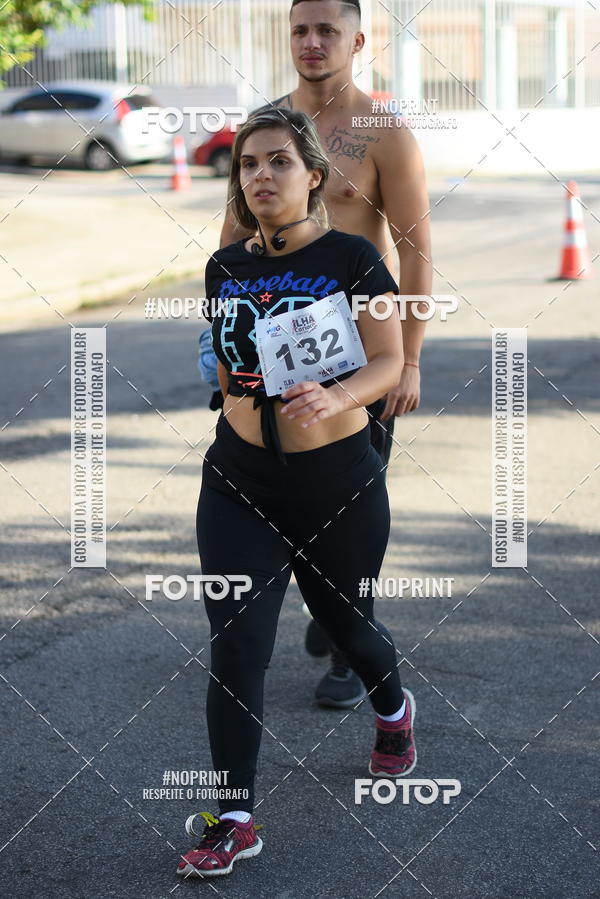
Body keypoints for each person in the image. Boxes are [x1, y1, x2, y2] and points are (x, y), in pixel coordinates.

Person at [177, 108, 416, 880]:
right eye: (248, 165)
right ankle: (234, 818)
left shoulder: (352, 256)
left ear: (314, 176)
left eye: (279, 161)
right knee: (239, 643)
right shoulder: (225, 266)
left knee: (350, 628)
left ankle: (392, 707)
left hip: (335, 482)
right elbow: (224, 364)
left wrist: (339, 397)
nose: (261, 176)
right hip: (240, 479)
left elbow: (385, 361)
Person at [212, 0, 432, 707]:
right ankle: (324, 610)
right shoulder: (269, 127)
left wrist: (412, 360)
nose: (311, 42)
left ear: (356, 40)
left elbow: (415, 248)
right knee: (276, 491)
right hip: (270, 368)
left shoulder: (384, 133)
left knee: (346, 517)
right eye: (300, 30)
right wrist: (225, 349)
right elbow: (229, 242)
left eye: (326, 30)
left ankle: (347, 638)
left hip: (357, 366)